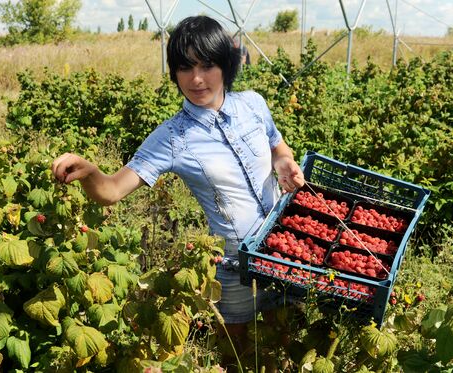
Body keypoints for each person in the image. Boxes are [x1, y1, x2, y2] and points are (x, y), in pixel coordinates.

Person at [52, 15, 304, 370]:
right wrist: (90, 171)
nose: (196, 78)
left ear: (226, 64)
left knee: (285, 343)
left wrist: (284, 164)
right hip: (235, 269)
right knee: (237, 356)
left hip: (287, 251)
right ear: (174, 71)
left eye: (207, 65)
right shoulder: (172, 137)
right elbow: (111, 190)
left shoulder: (253, 105)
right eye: (185, 67)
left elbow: (280, 149)